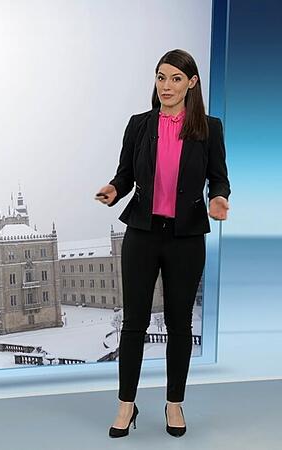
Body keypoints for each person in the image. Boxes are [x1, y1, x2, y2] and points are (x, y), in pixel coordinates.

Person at [94, 49, 231, 438]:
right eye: (160, 77)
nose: (166, 86)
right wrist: (113, 189)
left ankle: (174, 404)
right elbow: (125, 175)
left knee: (179, 324)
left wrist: (219, 198)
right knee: (134, 323)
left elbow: (219, 177)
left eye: (175, 78)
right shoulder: (139, 125)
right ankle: (126, 405)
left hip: (186, 238)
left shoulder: (209, 128)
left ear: (192, 83)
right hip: (142, 233)